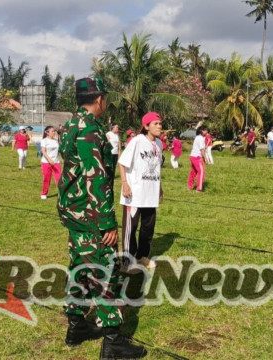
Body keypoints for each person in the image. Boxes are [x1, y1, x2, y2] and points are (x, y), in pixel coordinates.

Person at [57, 77, 146, 358]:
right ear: (99, 100)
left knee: (81, 267)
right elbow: (95, 177)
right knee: (105, 272)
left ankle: (76, 325)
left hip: (74, 209)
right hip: (90, 213)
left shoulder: (72, 125)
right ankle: (113, 341)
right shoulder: (90, 131)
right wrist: (107, 222)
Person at [119, 112, 163, 271]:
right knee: (131, 228)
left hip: (150, 193)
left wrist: (160, 187)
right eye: (155, 123)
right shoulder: (137, 141)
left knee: (148, 228)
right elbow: (122, 163)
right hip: (134, 194)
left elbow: (157, 167)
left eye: (160, 123)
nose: (159, 126)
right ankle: (126, 262)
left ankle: (141, 256)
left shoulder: (159, 143)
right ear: (146, 126)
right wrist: (125, 183)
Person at [40, 126, 61, 200]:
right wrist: (49, 160)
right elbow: (43, 151)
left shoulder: (56, 140)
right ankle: (44, 193)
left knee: (59, 178)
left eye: (54, 131)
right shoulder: (44, 141)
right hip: (46, 162)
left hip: (56, 162)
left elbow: (60, 146)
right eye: (52, 131)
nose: (53, 132)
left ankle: (61, 193)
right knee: (47, 178)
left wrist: (59, 133)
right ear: (47, 132)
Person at [188, 126, 209, 192]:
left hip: (193, 156)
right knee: (201, 172)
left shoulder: (198, 137)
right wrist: (205, 158)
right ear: (202, 131)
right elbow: (202, 149)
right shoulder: (200, 138)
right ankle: (199, 188)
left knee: (193, 172)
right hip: (196, 157)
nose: (207, 132)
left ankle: (190, 186)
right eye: (205, 130)